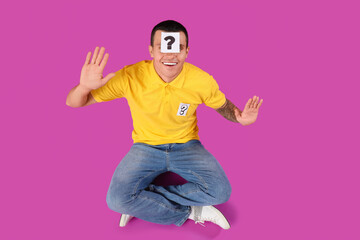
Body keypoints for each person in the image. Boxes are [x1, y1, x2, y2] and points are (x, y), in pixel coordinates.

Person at [66, 20, 263, 230]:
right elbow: (74, 102)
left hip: (187, 146)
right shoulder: (130, 76)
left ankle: (142, 200)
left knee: (221, 192)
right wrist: (84, 87)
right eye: (163, 48)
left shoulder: (201, 80)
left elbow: (222, 105)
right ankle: (191, 211)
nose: (170, 56)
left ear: (187, 51)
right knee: (116, 200)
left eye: (178, 48)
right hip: (145, 147)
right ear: (151, 50)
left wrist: (239, 117)